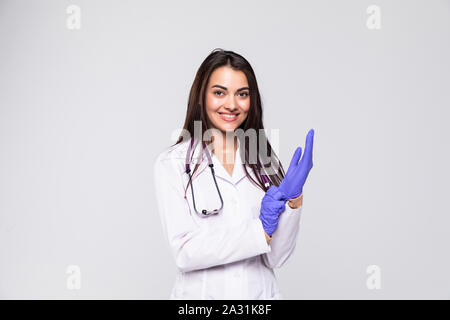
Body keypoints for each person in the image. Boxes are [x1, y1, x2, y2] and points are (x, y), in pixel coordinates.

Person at [153, 48, 314, 299]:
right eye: (219, 92)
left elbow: (276, 258)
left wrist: (295, 201)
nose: (231, 104)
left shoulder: (264, 161)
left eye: (242, 94)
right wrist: (259, 231)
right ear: (201, 97)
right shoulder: (173, 163)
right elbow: (185, 252)